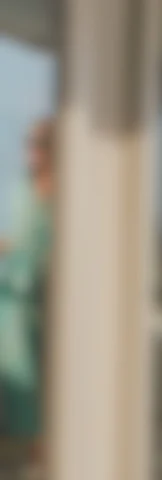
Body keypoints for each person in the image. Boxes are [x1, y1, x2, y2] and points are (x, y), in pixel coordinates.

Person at [0, 119, 53, 473]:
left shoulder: (72, 194)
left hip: (46, 307)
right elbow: (19, 243)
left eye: (39, 143)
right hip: (15, 305)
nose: (31, 151)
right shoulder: (25, 188)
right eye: (30, 143)